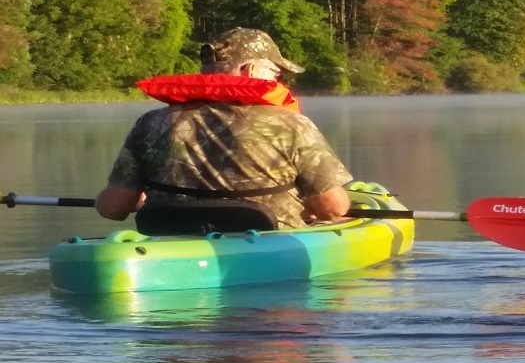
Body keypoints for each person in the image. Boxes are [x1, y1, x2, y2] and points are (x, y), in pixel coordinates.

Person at [96, 27, 353, 231]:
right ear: (251, 70)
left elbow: (112, 208)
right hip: (268, 243)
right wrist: (308, 202)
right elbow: (331, 209)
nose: (278, 81)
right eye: (276, 73)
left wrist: (142, 200)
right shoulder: (291, 125)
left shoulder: (151, 123)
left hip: (173, 238)